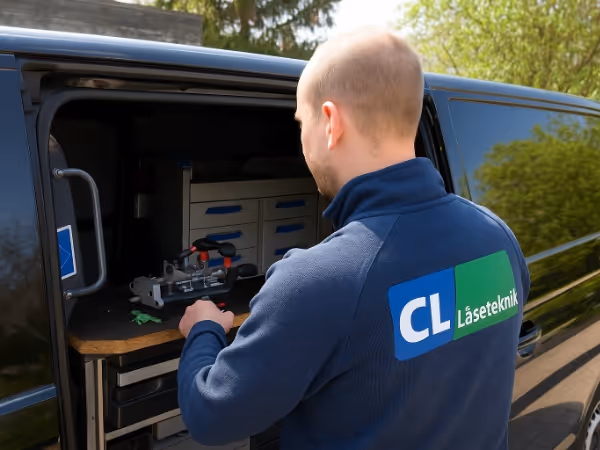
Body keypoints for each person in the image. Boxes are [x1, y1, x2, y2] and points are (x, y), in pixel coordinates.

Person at [177, 27, 530, 450]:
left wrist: (204, 329)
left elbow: (211, 417)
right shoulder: (497, 239)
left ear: (330, 122)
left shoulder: (315, 283)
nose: (302, 140)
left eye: (302, 122)